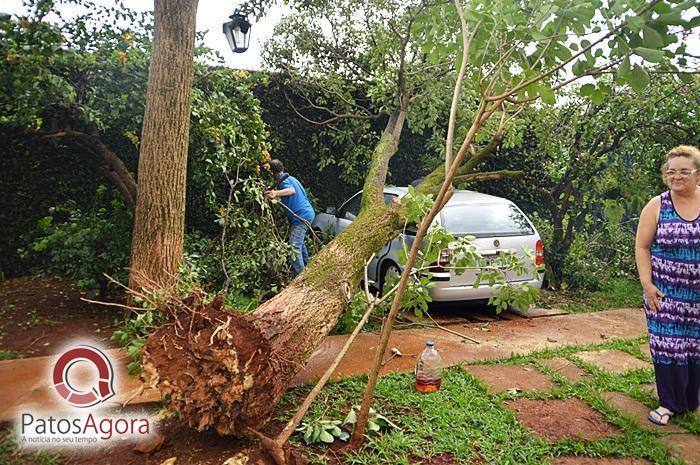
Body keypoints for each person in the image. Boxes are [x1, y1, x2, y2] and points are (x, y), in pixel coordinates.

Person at [635, 145, 700, 426]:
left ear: (698, 174)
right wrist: (648, 285)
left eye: (684, 172)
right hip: (665, 295)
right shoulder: (657, 205)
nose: (677, 177)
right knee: (669, 347)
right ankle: (669, 403)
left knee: (695, 347)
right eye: (671, 172)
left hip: (697, 297)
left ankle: (691, 401)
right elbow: (642, 246)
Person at [265, 159, 315, 276]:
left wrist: (275, 193)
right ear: (282, 168)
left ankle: (301, 278)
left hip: (301, 216)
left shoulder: (283, 181)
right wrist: (272, 191)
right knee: (300, 244)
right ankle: (308, 270)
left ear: (273, 173)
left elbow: (291, 191)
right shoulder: (291, 179)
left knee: (294, 247)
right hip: (306, 214)